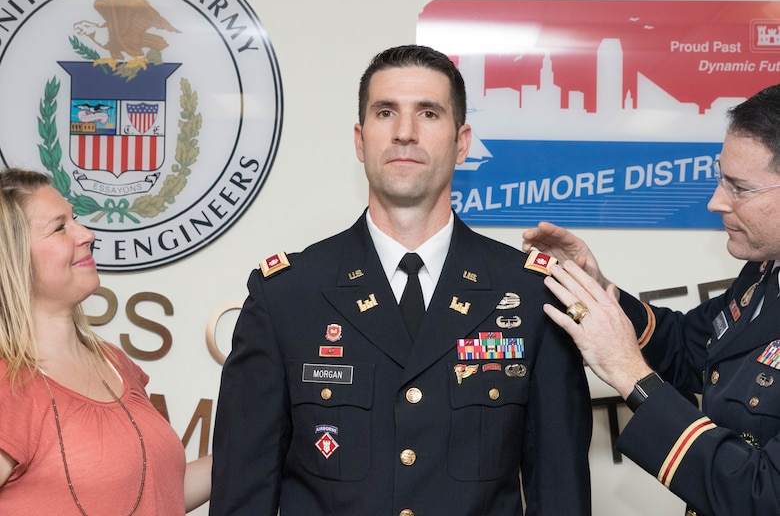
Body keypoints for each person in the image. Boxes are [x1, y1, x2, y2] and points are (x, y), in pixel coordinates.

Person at [210, 44, 592, 515]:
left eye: (429, 114)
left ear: (462, 141)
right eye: (385, 112)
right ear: (359, 138)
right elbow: (242, 495)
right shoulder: (286, 295)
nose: (405, 133)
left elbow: (561, 493)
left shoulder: (532, 296)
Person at [523, 82, 780, 516]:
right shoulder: (765, 272)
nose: (717, 201)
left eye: (740, 189)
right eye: (721, 178)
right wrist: (596, 286)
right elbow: (686, 347)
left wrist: (630, 375)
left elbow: (762, 494)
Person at [0, 168, 212, 514]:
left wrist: (266, 444)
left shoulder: (114, 362)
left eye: (76, 219)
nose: (86, 234)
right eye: (60, 227)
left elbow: (160, 494)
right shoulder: (7, 386)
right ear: (11, 257)